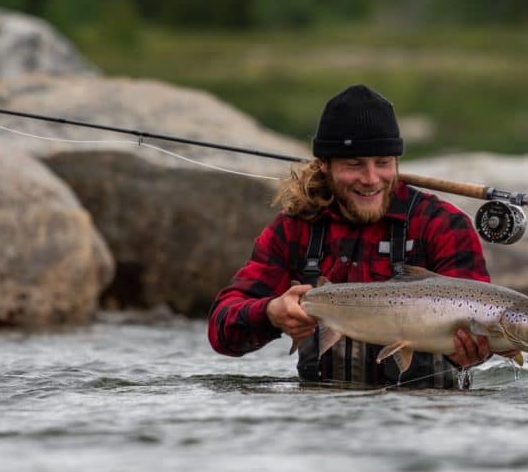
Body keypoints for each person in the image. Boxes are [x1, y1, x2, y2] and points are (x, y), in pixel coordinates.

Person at [208, 84, 506, 388]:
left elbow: (481, 327)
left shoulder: (442, 225)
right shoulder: (297, 226)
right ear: (324, 165)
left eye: (383, 163)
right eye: (354, 165)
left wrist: (472, 353)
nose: (371, 179)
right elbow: (221, 331)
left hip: (423, 423)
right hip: (326, 416)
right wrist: (270, 313)